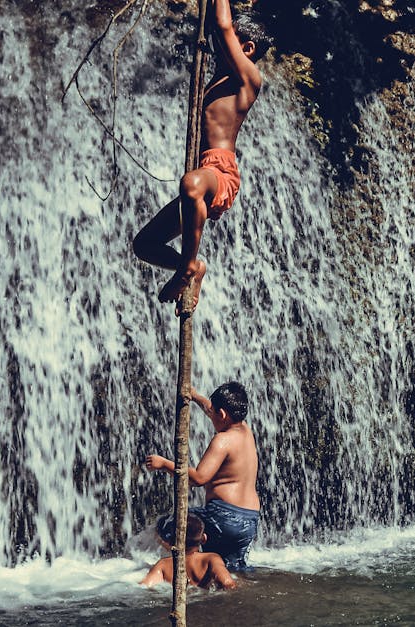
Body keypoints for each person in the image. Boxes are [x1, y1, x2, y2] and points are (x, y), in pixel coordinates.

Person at [132, 0, 269, 313]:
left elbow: (221, 25)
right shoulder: (220, 76)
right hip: (202, 173)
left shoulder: (249, 79)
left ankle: (186, 268)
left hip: (219, 173)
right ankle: (193, 267)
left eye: (229, 41)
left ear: (246, 48)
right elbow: (214, 28)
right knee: (145, 244)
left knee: (191, 184)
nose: (220, 44)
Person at [146, 381, 260, 571]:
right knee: (230, 569)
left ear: (222, 414)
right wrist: (195, 396)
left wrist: (164, 464)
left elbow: (199, 478)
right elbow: (210, 409)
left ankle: (190, 567)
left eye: (214, 412)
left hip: (223, 516)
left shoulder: (222, 440)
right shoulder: (246, 431)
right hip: (249, 520)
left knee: (166, 526)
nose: (210, 415)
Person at [140, 513, 237, 590]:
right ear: (204, 538)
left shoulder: (163, 565)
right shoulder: (211, 559)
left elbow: (143, 587)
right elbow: (228, 583)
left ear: (170, 542)